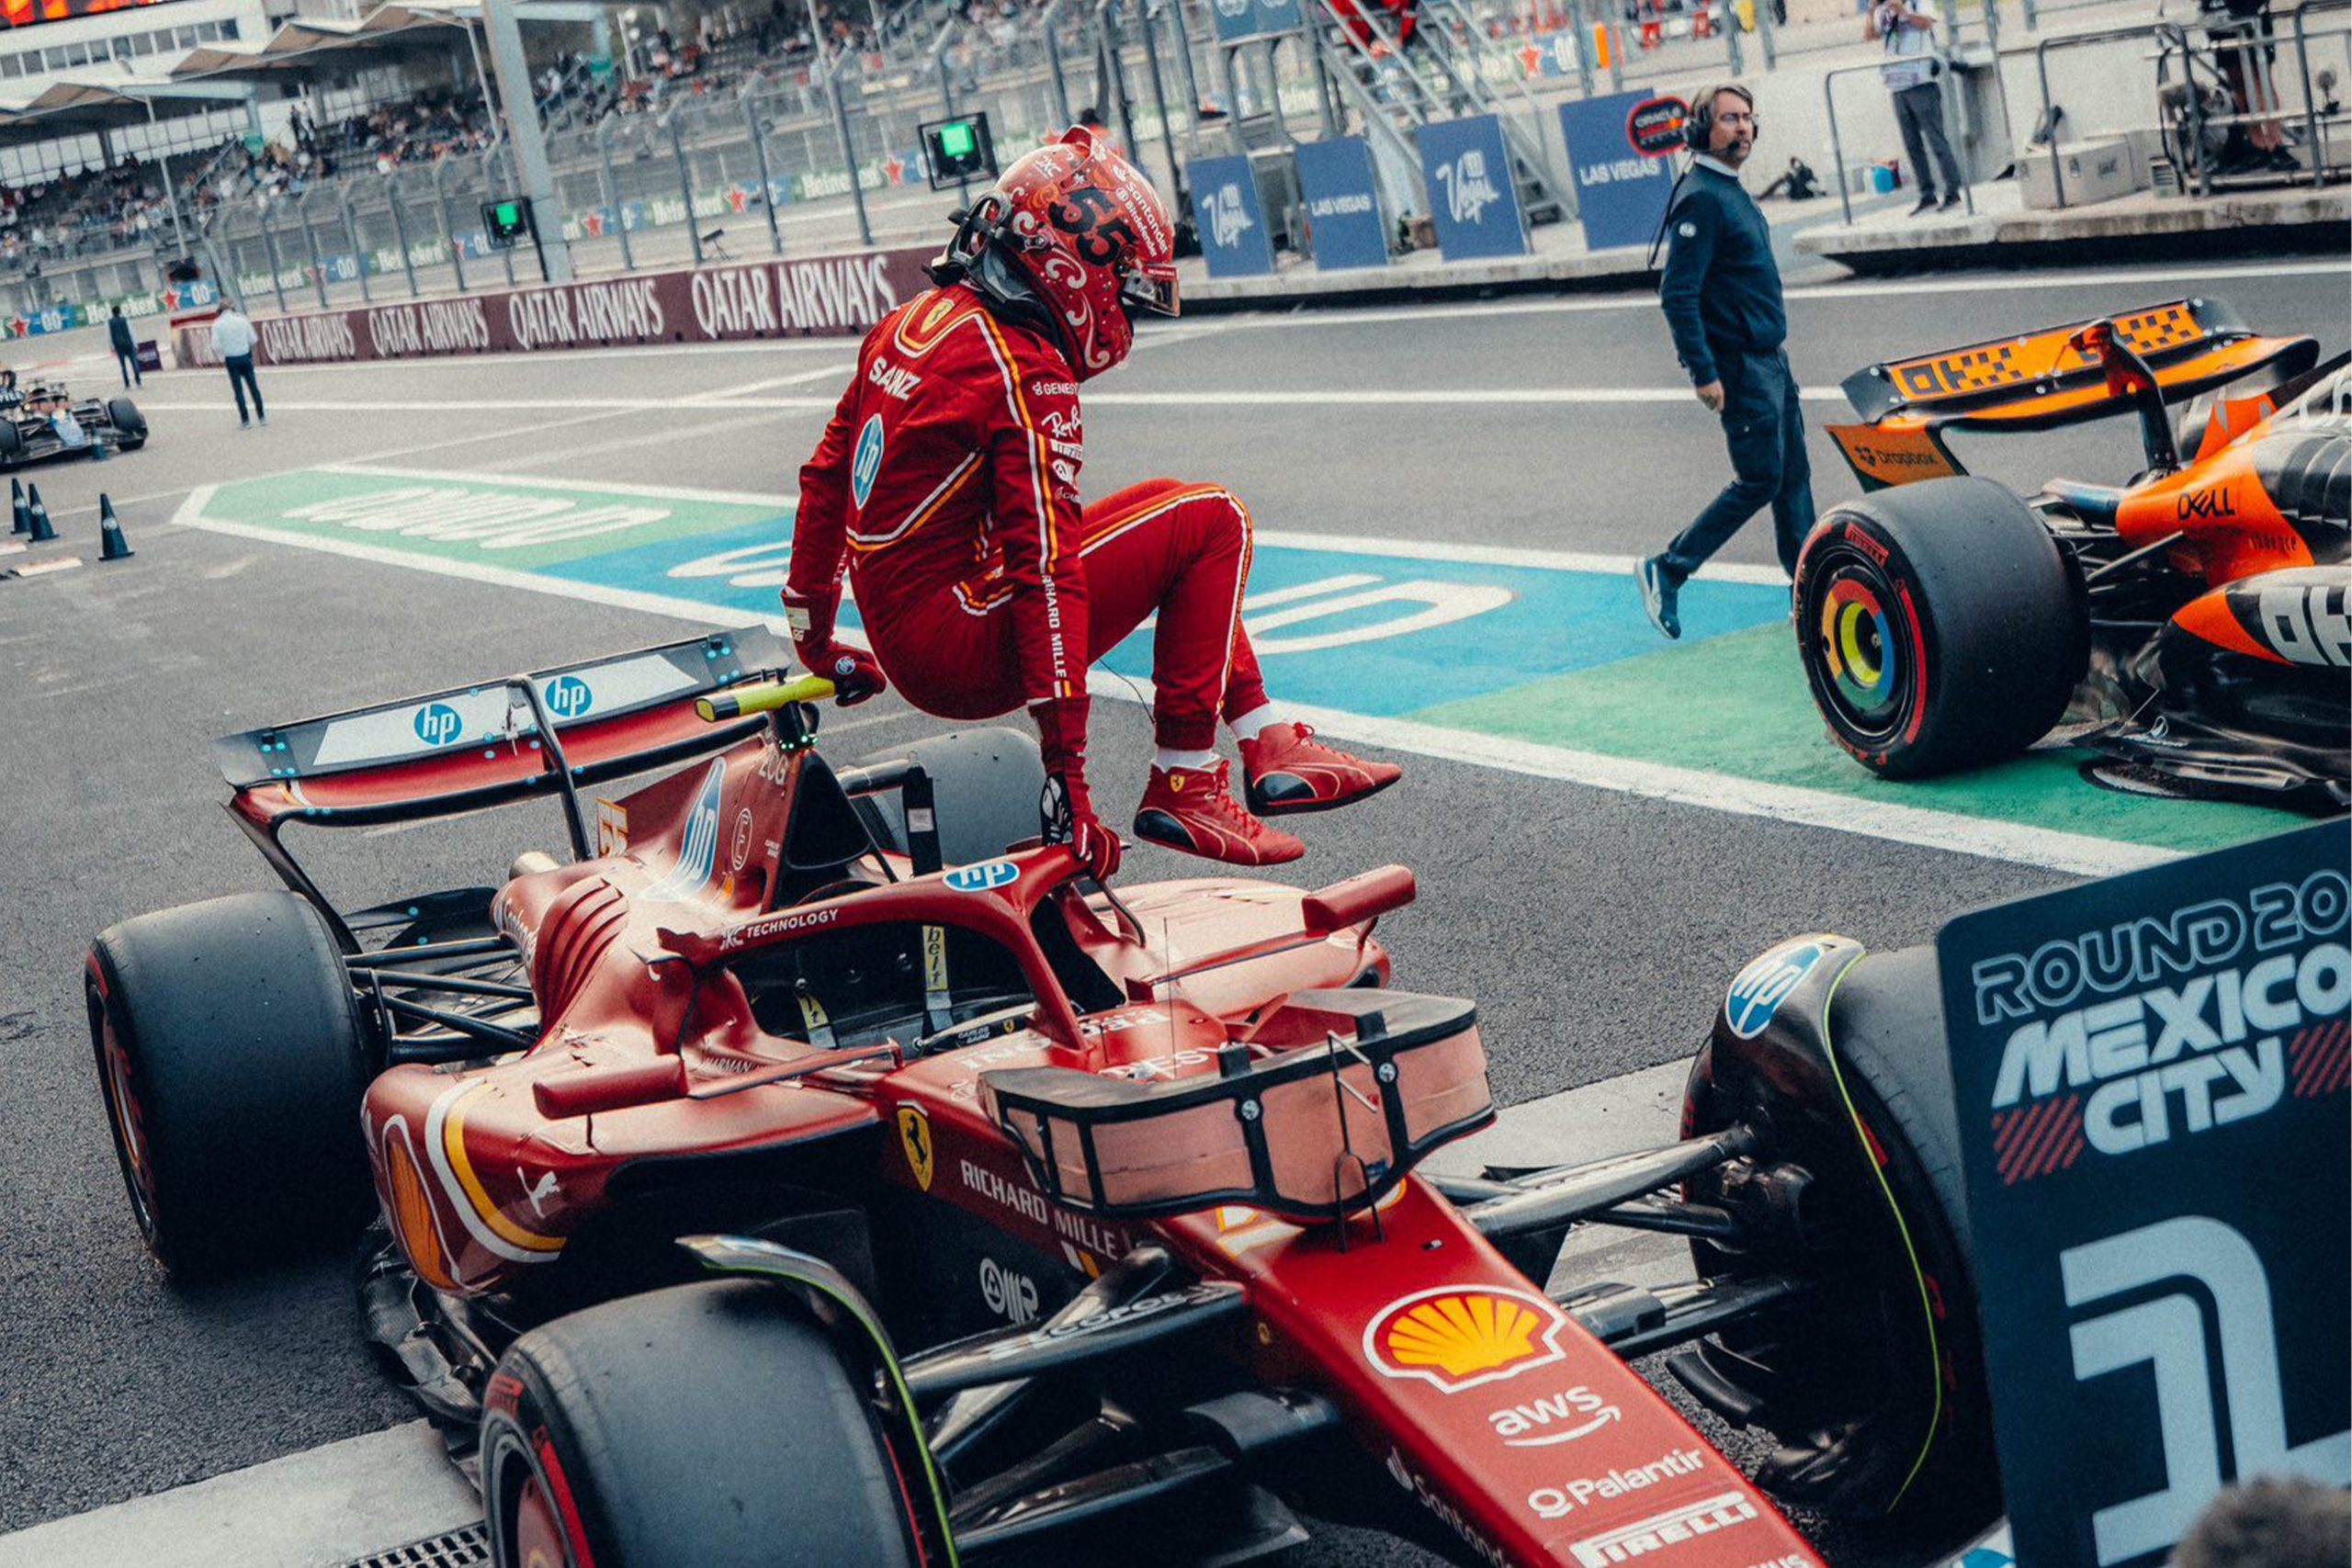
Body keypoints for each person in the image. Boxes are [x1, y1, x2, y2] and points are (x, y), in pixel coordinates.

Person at [785, 127, 1402, 876]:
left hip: (911, 628)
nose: (1124, 313)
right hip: (960, 640)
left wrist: (815, 637)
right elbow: (1045, 571)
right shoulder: (1026, 372)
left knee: (1170, 512)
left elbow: (823, 480)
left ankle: (1265, 736)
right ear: (1076, 269)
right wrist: (1068, 785)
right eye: (1125, 289)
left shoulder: (910, 323)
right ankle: (1185, 780)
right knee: (1214, 521)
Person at [1637, 84, 1813, 640]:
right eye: (1729, 118)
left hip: (1772, 362)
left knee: (1793, 482)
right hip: (1740, 367)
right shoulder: (1702, 198)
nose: (1742, 127)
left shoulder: (1732, 189)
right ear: (1700, 130)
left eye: (1747, 117)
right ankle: (1668, 569)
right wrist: (1703, 370)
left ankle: (1809, 593)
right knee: (1761, 478)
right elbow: (1677, 293)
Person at [1867, 0, 1965, 214]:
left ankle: (1952, 190)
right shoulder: (1884, 9)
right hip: (1897, 85)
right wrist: (1872, 9)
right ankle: (1926, 194)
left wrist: (1904, 12)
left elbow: (1927, 24)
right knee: (1912, 144)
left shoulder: (1918, 3)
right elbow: (1870, 35)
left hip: (1921, 82)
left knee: (1936, 139)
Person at [209, 302, 266, 427]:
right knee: (254, 388)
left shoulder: (217, 324)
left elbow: (216, 346)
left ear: (219, 311)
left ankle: (246, 420)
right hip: (245, 356)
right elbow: (253, 339)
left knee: (238, 391)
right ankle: (261, 417)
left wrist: (227, 348)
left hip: (231, 358)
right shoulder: (242, 320)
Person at [107, 304, 140, 389]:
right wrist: (135, 344)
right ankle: (138, 381)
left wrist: (112, 347)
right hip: (128, 343)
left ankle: (127, 384)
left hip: (118, 346)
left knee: (123, 366)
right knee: (134, 363)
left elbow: (109, 336)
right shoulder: (125, 320)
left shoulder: (109, 322)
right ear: (120, 311)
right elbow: (131, 332)